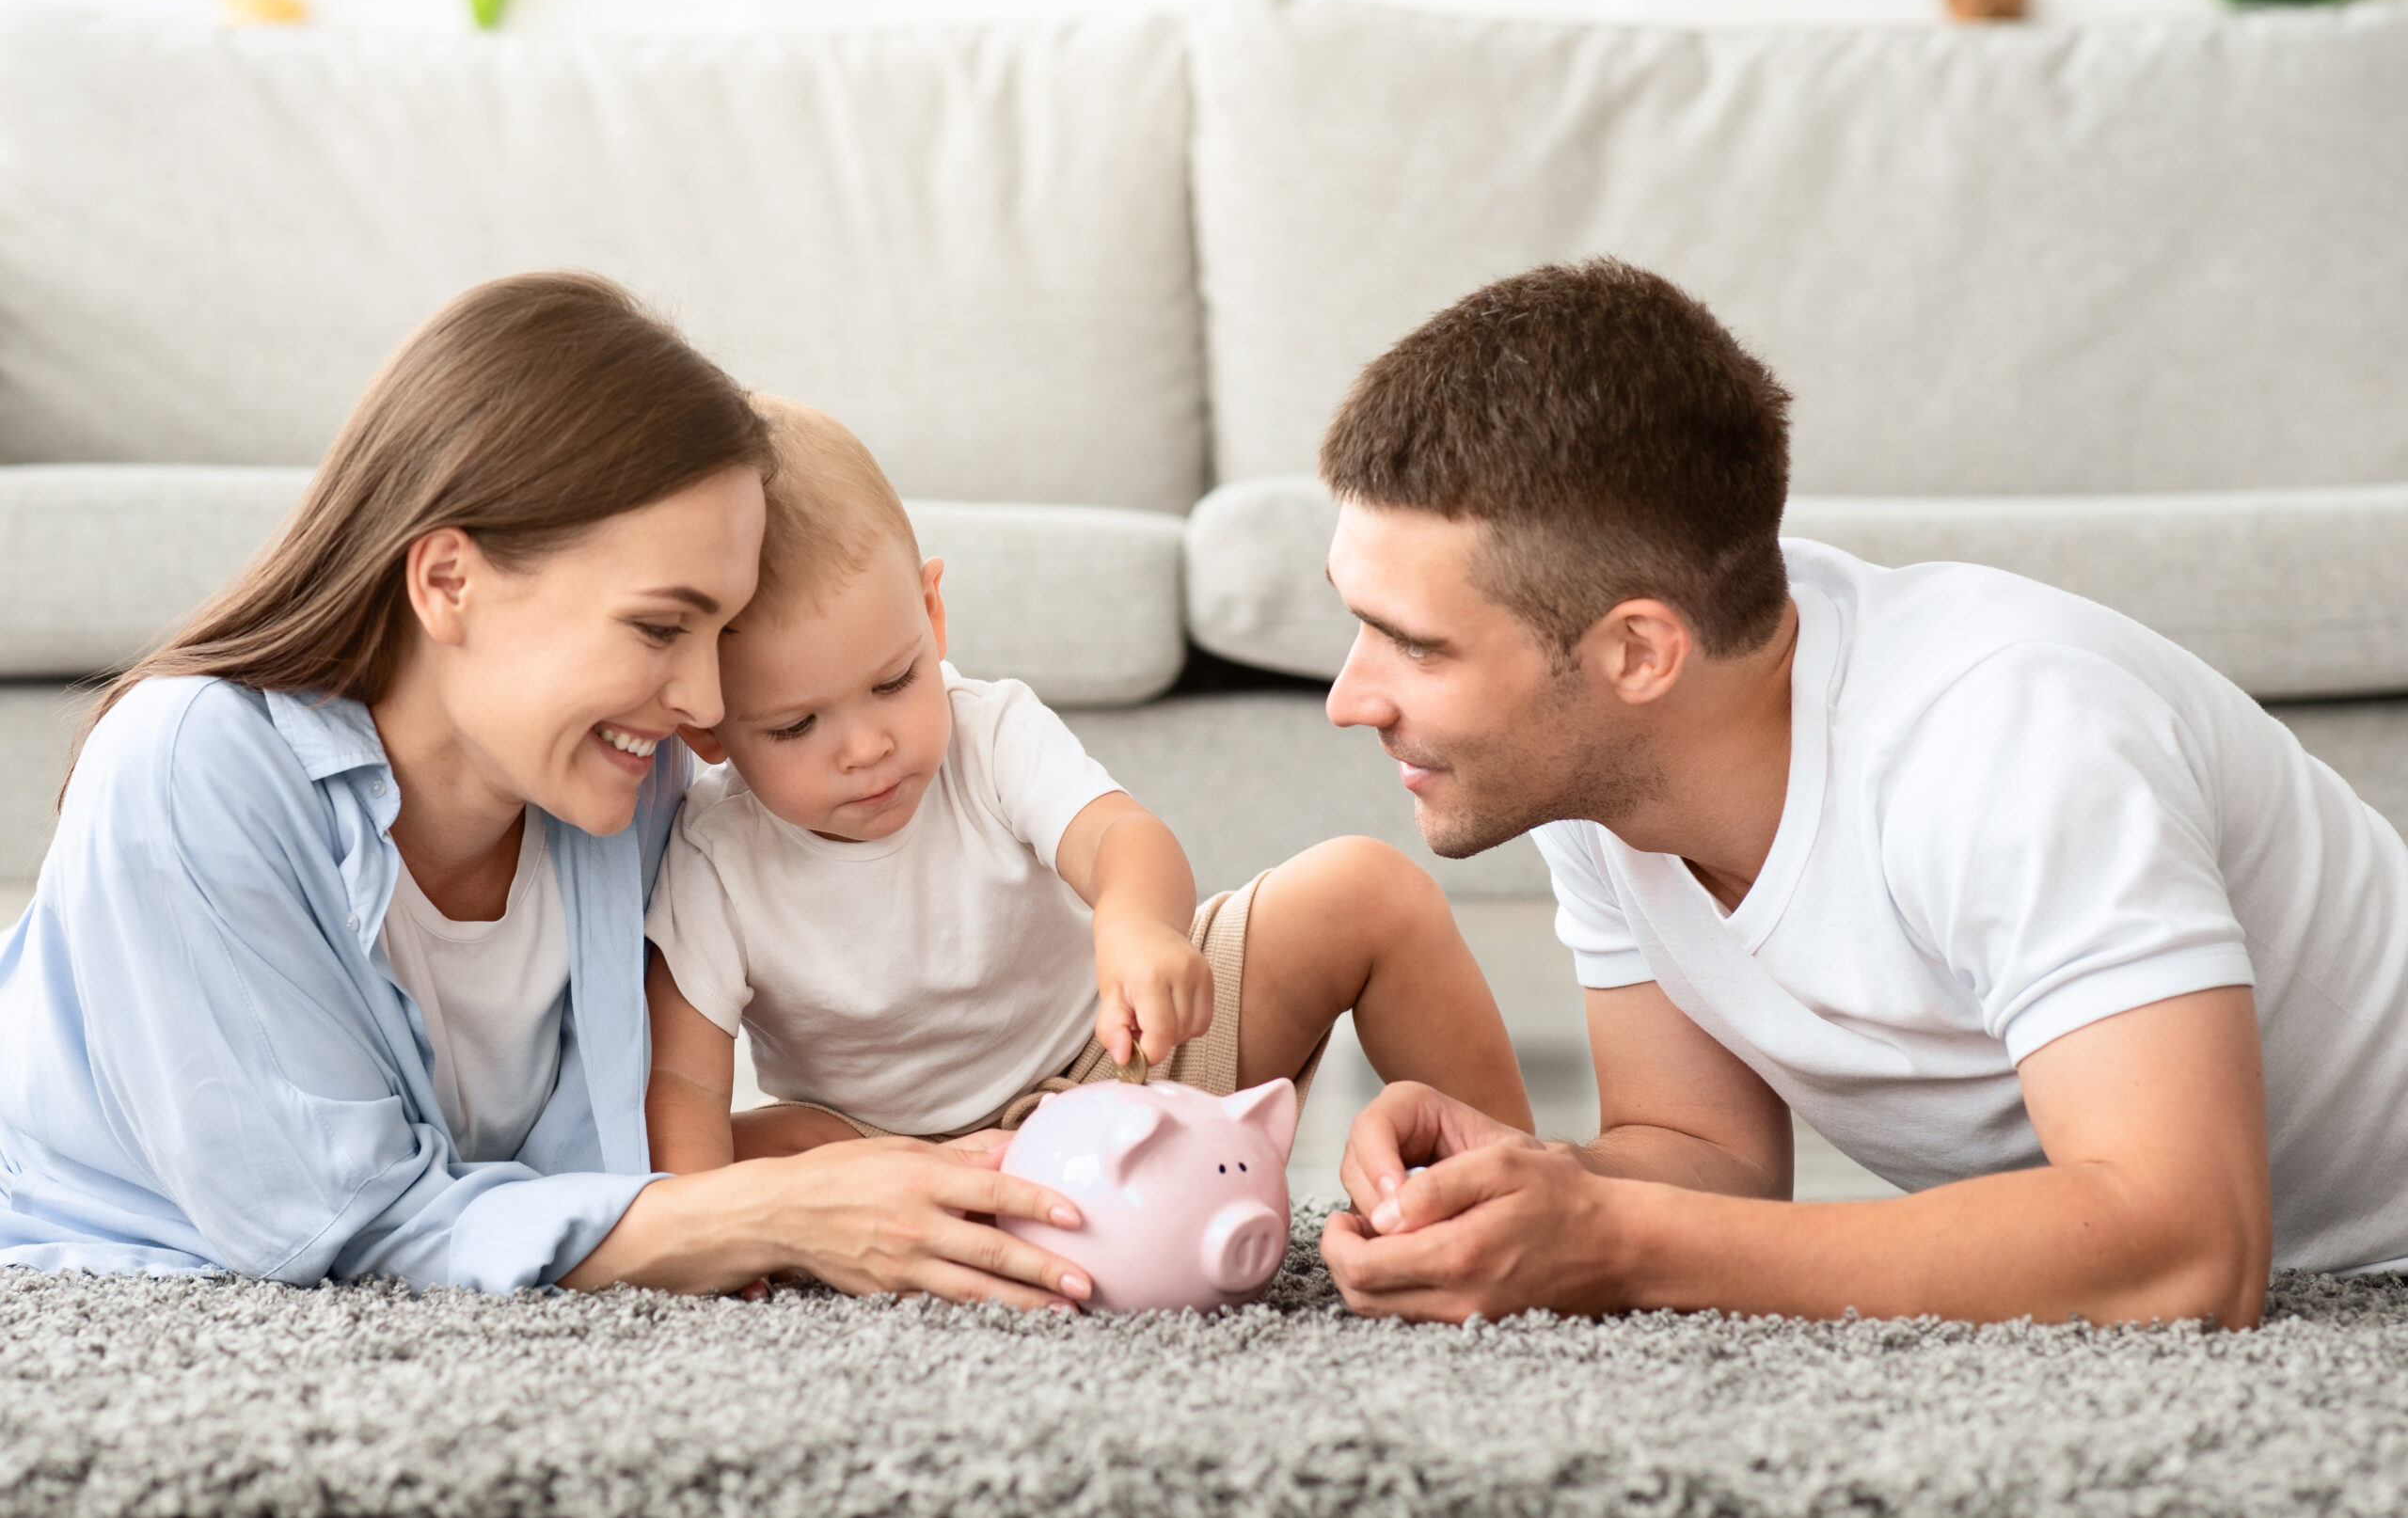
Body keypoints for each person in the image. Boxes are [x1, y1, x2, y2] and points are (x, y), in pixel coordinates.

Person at [1314, 259, 2408, 1331]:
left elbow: (2191, 1255)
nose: (1347, 699)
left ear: (1638, 652)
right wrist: (1526, 1189)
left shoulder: (2007, 736)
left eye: (1416, 647)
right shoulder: (1600, 766)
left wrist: (1615, 1240)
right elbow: (1704, 1158)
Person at [0, 274, 1105, 1307]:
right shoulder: (190, 764)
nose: (705, 701)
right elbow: (328, 1224)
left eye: (721, 633)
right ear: (448, 581)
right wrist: (757, 1213)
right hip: (114, 1265)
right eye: (663, 627)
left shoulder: (626, 777)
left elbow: (590, 1166)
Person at [642, 398, 1532, 1172]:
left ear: (932, 611)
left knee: (1367, 890)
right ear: (706, 723)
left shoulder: (987, 733)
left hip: (1127, 1061)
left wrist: (1136, 927)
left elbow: (1117, 838)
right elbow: (680, 1078)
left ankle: (1505, 1171)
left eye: (893, 680)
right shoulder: (713, 859)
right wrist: (714, 1219)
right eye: (797, 726)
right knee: (738, 1148)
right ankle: (948, 1203)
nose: (867, 745)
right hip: (895, 1154)